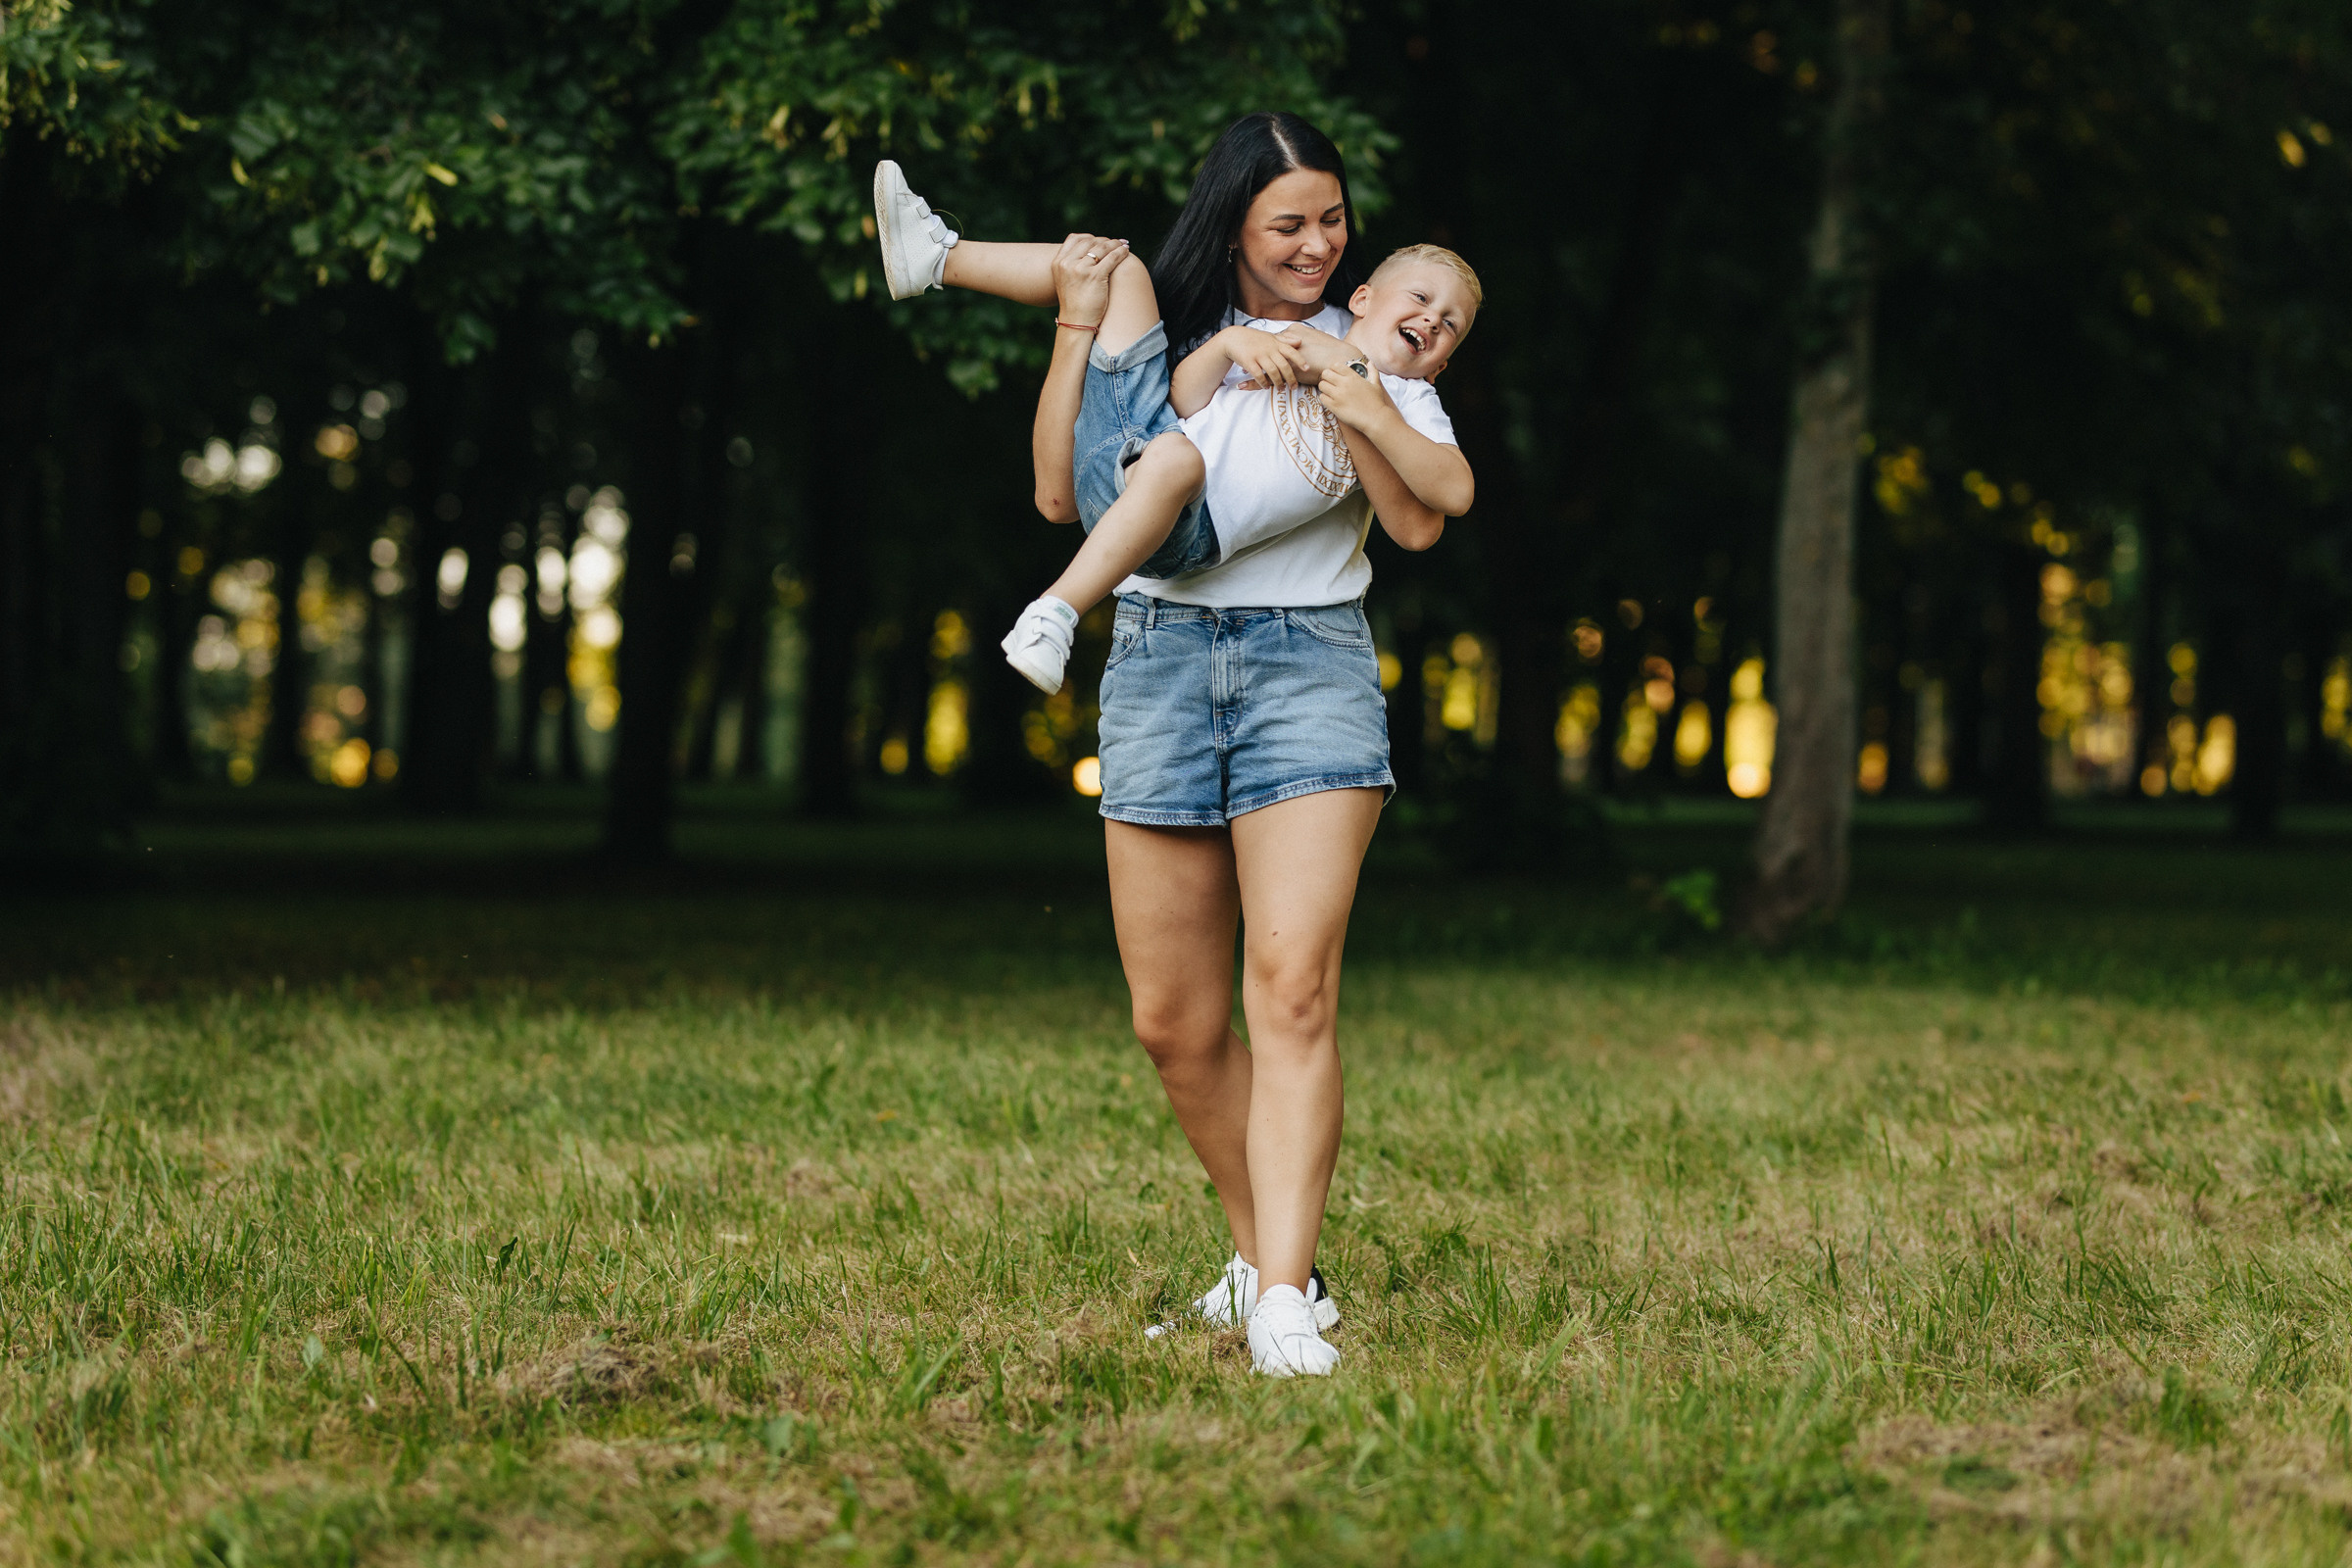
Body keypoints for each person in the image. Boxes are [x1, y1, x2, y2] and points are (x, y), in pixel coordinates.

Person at [878, 113, 1472, 1377]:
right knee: (1174, 1023)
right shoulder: (1178, 335)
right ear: (1236, 223)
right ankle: (1267, 1265)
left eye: (1332, 219)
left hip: (1307, 668)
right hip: (1156, 660)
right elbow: (1061, 494)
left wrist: (1352, 388)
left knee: (1291, 991)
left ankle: (1282, 1301)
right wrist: (1078, 323)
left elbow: (1426, 518)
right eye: (1287, 223)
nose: (1316, 244)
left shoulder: (1374, 349)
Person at [869, 172, 1477, 696]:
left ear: (1444, 362)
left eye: (1449, 324)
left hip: (1189, 533)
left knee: (1177, 463)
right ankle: (938, 257)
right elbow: (1181, 403)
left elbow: (1449, 497)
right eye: (1422, 299)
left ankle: (1054, 613)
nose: (1432, 319)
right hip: (1136, 452)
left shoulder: (1410, 400)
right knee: (1122, 272)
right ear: (1365, 298)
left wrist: (1365, 401)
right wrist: (1228, 344)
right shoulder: (1288, 332)